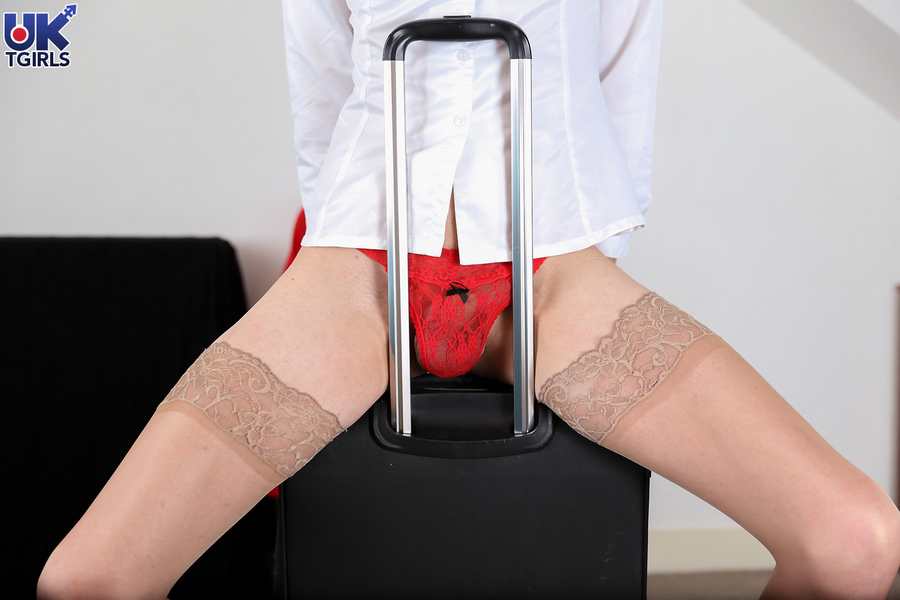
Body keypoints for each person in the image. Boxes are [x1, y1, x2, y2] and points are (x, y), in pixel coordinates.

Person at [37, 1, 900, 598]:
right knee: (90, 580)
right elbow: (321, 85)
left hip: (552, 267)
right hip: (361, 265)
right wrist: (337, 248)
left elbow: (622, 74)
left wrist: (596, 262)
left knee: (856, 541)